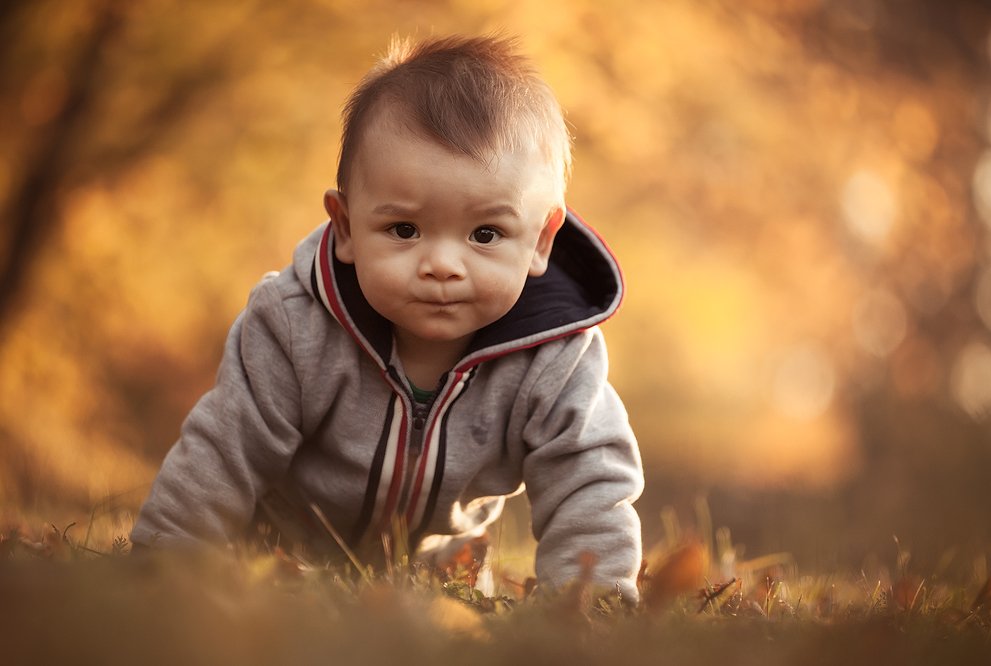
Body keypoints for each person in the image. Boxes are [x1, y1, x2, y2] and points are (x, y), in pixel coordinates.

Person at [131, 34, 644, 602]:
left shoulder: (559, 359)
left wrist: (587, 603)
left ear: (541, 240)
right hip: (276, 555)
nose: (443, 265)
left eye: (486, 234)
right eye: (404, 229)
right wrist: (168, 561)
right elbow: (226, 449)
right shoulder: (293, 326)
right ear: (346, 227)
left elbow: (588, 481)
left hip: (437, 578)